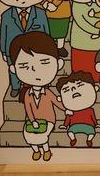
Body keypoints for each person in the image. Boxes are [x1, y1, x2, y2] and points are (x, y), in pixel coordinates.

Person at [8, 32, 65, 161]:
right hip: (32, 121)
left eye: (44, 63)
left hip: (48, 120)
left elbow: (57, 102)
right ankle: (36, 150)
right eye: (25, 66)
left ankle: (46, 150)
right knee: (28, 136)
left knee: (42, 136)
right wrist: (33, 120)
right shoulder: (28, 94)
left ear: (59, 64)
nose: (35, 71)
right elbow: (28, 109)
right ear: (14, 69)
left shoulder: (48, 93)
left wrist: (66, 109)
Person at [56, 71, 100, 147]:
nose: (74, 90)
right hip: (74, 126)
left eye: (80, 85)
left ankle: (89, 140)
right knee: (70, 132)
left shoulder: (90, 110)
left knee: (91, 133)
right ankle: (73, 139)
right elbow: (68, 119)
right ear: (60, 98)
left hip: (88, 126)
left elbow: (93, 118)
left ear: (95, 89)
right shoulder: (71, 111)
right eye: (67, 90)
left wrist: (96, 124)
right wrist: (65, 125)